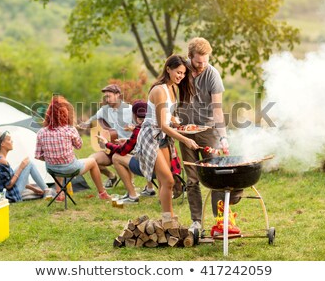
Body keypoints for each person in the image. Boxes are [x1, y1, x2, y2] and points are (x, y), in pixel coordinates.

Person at [176, 37, 240, 234]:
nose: (202, 65)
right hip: (185, 132)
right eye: (198, 61)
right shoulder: (181, 72)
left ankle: (220, 221)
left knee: (215, 176)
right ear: (190, 58)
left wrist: (223, 137)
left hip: (208, 131)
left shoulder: (212, 74)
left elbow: (217, 109)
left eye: (205, 60)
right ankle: (196, 221)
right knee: (192, 179)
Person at [132, 54, 199, 224]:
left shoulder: (172, 88)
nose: (181, 76)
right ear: (168, 69)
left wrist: (179, 124)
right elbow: (162, 124)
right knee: (169, 180)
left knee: (165, 181)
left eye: (183, 73)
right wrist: (185, 139)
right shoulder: (159, 90)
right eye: (178, 72)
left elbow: (168, 117)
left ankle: (168, 217)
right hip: (151, 137)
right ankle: (169, 220)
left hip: (163, 138)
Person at [35, 94, 111, 201]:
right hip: (70, 168)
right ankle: (102, 193)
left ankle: (60, 195)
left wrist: (51, 157)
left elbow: (38, 156)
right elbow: (79, 146)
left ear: (49, 114)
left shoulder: (41, 132)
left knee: (57, 161)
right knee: (93, 162)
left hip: (51, 169)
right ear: (65, 113)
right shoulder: (69, 129)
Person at [99, 100, 155, 204]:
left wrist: (107, 143)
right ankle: (149, 189)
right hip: (165, 168)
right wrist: (127, 140)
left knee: (116, 157)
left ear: (134, 115)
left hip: (150, 169)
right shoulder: (155, 125)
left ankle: (132, 196)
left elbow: (122, 151)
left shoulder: (139, 129)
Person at [78, 84, 133, 188]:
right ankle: (111, 176)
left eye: (109, 96)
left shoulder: (130, 110)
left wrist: (132, 129)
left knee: (121, 157)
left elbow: (139, 128)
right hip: (110, 148)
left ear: (118, 95)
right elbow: (93, 119)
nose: (107, 99)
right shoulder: (104, 110)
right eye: (105, 97)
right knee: (92, 160)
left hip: (126, 149)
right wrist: (85, 124)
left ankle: (130, 183)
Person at [0, 131, 52, 203]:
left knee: (26, 164)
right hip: (8, 195)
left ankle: (45, 189)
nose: (12, 141)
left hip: (4, 192)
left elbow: (13, 179)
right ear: (2, 144)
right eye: (9, 140)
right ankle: (46, 190)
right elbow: (9, 185)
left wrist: (34, 189)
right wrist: (21, 167)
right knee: (28, 164)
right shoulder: (2, 161)